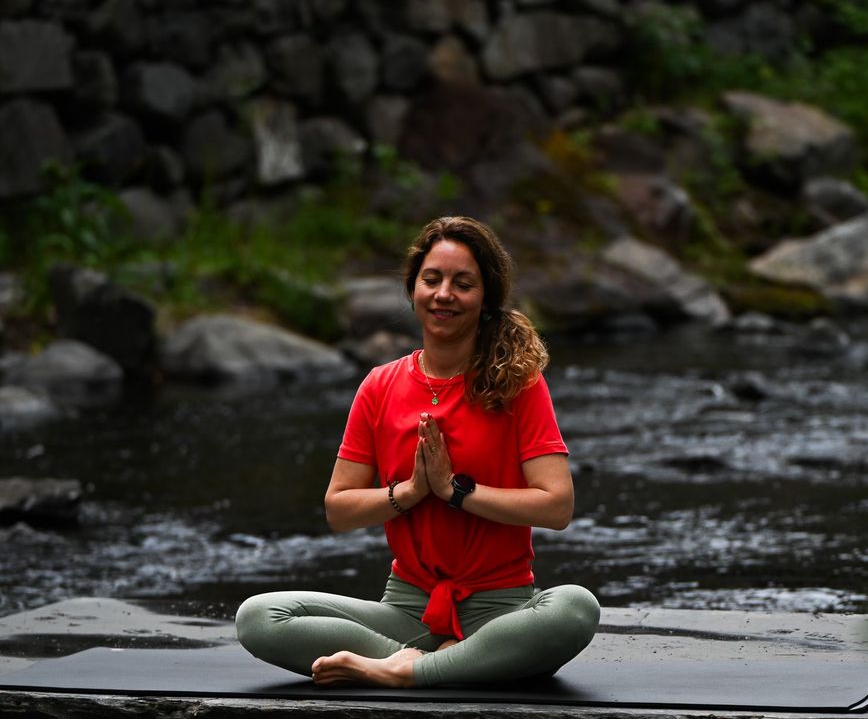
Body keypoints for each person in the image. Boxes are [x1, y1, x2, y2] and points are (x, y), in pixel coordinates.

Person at [236, 216, 601, 688]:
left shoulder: (518, 384)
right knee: (259, 616)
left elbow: (557, 506)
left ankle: (408, 670)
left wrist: (454, 491)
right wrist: (410, 491)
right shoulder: (380, 386)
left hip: (502, 611)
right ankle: (437, 664)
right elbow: (339, 509)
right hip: (407, 609)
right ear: (413, 290)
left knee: (575, 608)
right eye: (432, 279)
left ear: (485, 297)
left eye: (462, 283)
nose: (444, 293)